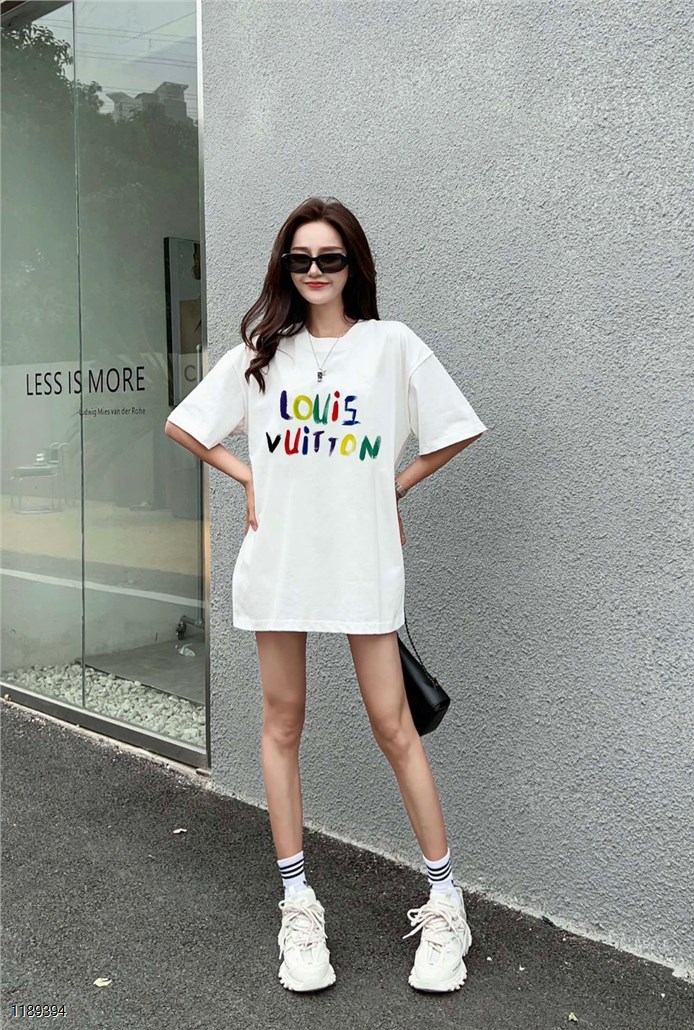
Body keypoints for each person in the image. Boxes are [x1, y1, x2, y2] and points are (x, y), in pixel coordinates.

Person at [165, 196, 487, 995]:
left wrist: (392, 488)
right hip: (281, 562)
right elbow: (186, 426)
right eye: (300, 258)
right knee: (282, 724)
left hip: (359, 562)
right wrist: (249, 476)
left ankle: (447, 903)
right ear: (285, 266)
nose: (314, 271)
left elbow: (456, 428)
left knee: (394, 725)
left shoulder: (390, 346)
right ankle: (298, 906)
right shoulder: (261, 354)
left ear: (353, 267)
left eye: (330, 258)